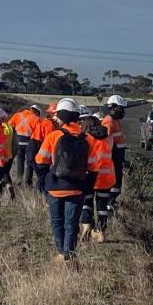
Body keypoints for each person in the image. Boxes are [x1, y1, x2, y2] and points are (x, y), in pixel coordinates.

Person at [34, 98, 98, 261]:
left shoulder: (53, 136)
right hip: (77, 189)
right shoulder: (88, 139)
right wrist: (87, 187)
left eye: (57, 115)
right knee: (72, 223)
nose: (55, 118)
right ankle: (68, 254)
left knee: (57, 221)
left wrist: (43, 180)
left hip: (55, 187)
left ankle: (61, 253)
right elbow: (94, 167)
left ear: (63, 115)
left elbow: (40, 160)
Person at [79, 108, 115, 243]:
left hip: (90, 176)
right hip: (107, 177)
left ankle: (87, 224)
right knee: (102, 205)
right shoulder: (109, 138)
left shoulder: (86, 138)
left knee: (87, 201)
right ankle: (101, 231)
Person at [103, 94, 128, 207]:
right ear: (113, 107)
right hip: (112, 159)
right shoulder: (109, 122)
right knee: (113, 185)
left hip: (117, 158)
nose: (123, 111)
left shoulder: (115, 121)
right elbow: (106, 143)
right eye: (121, 108)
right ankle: (109, 204)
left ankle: (111, 203)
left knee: (117, 184)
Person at [8, 103, 39, 187]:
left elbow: (9, 126)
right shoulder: (36, 119)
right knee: (30, 163)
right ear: (37, 111)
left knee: (20, 160)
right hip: (29, 143)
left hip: (18, 142)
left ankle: (19, 180)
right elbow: (37, 133)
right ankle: (28, 183)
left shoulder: (17, 115)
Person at [29, 104, 56, 193]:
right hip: (36, 149)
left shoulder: (46, 122)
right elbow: (49, 141)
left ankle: (38, 192)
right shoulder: (49, 125)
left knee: (41, 175)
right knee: (42, 175)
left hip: (33, 148)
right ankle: (41, 193)